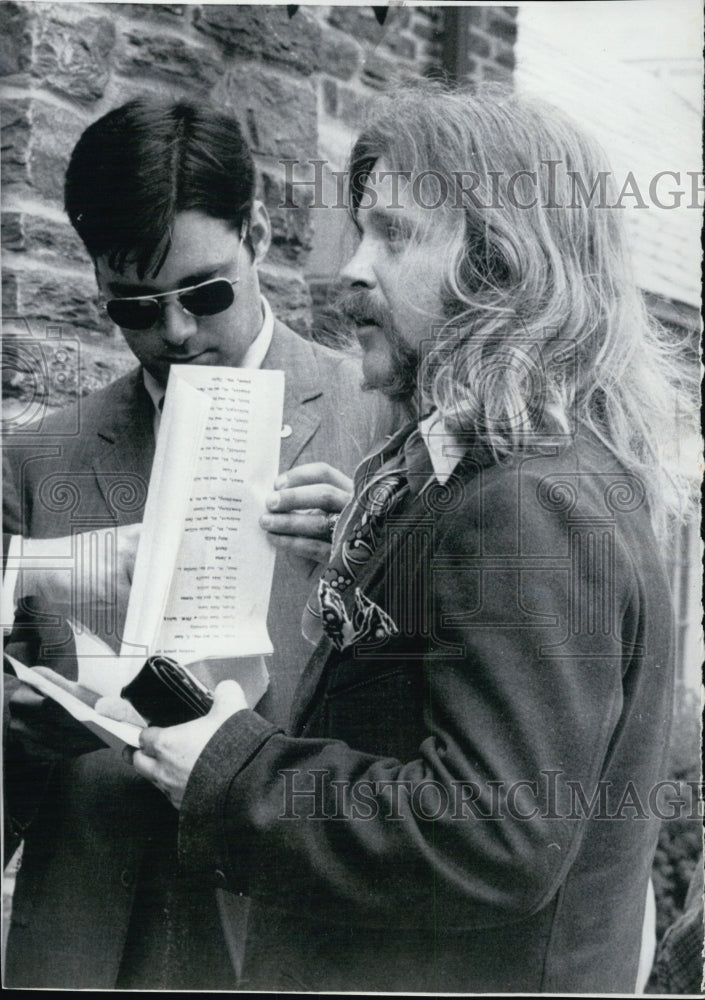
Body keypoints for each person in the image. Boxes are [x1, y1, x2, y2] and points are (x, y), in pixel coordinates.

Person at [126, 85, 697, 992]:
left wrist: (228, 771)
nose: (351, 270)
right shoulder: (515, 472)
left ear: (504, 264)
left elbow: (490, 833)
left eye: (392, 234)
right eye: (358, 232)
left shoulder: (527, 500)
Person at [3, 97, 394, 989]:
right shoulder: (40, 460)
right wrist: (19, 727)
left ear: (256, 233)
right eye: (135, 309)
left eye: (204, 292)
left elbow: (443, 736)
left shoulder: (381, 424)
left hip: (294, 940)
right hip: (90, 941)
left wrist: (377, 561)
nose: (175, 333)